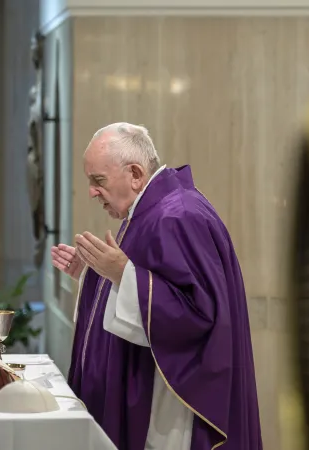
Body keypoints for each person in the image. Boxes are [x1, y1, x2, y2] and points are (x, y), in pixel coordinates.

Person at [50, 123, 263, 450]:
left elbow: (199, 316)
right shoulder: (149, 213)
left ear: (135, 173)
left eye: (98, 181)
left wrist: (121, 273)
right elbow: (149, 284)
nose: (92, 191)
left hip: (169, 405)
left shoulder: (177, 216)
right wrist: (93, 274)